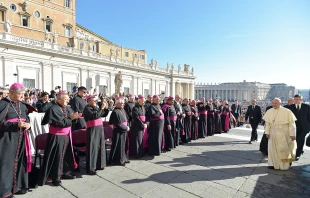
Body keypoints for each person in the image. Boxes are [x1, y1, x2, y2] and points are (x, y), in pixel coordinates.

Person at [39, 91, 81, 186]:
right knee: (57, 156)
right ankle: (56, 177)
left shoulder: (67, 108)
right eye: (65, 99)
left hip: (66, 135)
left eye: (68, 99)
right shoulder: (53, 109)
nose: (68, 100)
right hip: (57, 137)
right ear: (58, 99)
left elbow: (72, 119)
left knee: (67, 155)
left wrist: (75, 117)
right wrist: (71, 118)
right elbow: (59, 123)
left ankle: (65, 172)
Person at [0, 83, 32, 197]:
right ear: (11, 93)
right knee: (7, 165)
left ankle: (17, 186)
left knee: (19, 162)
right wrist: (15, 125)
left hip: (21, 137)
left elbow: (27, 118)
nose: (22, 96)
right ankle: (5, 192)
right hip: (7, 139)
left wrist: (28, 125)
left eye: (23, 94)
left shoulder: (22, 105)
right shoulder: (2, 104)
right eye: (20, 94)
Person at [263, 98, 297, 170]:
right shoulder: (269, 111)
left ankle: (284, 164)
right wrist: (267, 132)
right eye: (273, 103)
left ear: (280, 103)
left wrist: (292, 134)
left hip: (284, 132)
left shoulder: (287, 111)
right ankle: (272, 164)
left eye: (276, 103)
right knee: (272, 148)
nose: (274, 104)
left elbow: (292, 124)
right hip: (273, 132)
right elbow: (267, 123)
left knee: (284, 149)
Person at [83, 95, 109, 175]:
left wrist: (106, 108)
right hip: (93, 130)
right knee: (93, 148)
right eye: (94, 101)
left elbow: (103, 114)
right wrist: (101, 108)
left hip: (99, 129)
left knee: (100, 146)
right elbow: (95, 116)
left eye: (96, 101)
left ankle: (99, 164)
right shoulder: (87, 109)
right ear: (89, 101)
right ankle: (91, 168)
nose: (95, 102)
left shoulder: (95, 107)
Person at [109, 97, 130, 166]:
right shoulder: (115, 112)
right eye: (121, 103)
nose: (123, 104)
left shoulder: (122, 110)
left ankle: (124, 158)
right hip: (119, 132)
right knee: (119, 146)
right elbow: (117, 124)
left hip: (124, 130)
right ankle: (119, 160)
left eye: (123, 103)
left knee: (124, 145)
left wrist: (128, 126)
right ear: (117, 103)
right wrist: (126, 128)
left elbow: (127, 119)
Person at [288, 94, 310, 160]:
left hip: (304, 128)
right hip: (294, 127)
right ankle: (293, 152)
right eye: (295, 99)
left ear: (301, 99)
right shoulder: (290, 107)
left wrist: (308, 127)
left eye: (297, 99)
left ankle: (298, 154)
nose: (295, 101)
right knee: (294, 140)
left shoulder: (307, 107)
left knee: (300, 140)